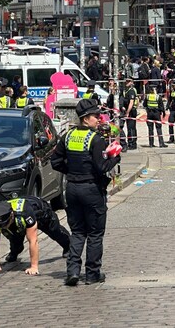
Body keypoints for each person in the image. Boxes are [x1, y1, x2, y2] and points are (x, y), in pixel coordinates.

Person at [50, 98, 121, 286]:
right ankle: (92, 274)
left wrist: (72, 172)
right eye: (95, 116)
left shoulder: (67, 136)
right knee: (95, 233)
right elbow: (101, 167)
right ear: (85, 118)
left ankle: (73, 271)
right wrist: (115, 157)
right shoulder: (95, 139)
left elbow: (55, 162)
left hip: (72, 189)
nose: (99, 119)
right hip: (91, 190)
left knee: (78, 232)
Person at [0, 196, 71, 276]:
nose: (4, 227)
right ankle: (14, 252)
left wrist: (34, 267)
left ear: (11, 215)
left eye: (5, 224)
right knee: (14, 238)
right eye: (1, 225)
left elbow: (33, 241)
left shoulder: (25, 212)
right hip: (18, 221)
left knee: (56, 233)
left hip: (40, 214)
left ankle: (69, 246)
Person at [120, 78, 138, 150]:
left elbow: (131, 103)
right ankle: (130, 142)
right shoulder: (126, 90)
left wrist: (127, 112)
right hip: (127, 110)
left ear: (132, 82)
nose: (127, 82)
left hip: (131, 111)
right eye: (126, 81)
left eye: (128, 81)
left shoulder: (131, 91)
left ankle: (132, 144)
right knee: (128, 128)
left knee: (131, 128)